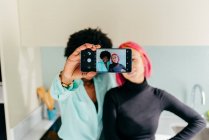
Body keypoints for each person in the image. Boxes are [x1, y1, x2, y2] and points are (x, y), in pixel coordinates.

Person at [103, 41, 206, 140]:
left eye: (133, 59)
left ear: (144, 61)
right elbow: (110, 137)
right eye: (123, 61)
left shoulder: (159, 96)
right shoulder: (112, 96)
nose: (128, 66)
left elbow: (198, 121)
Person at [50, 28, 116, 140]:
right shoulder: (68, 78)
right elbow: (56, 93)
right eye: (88, 58)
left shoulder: (105, 77)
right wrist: (67, 77)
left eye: (97, 57)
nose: (92, 63)